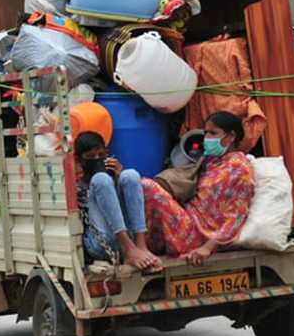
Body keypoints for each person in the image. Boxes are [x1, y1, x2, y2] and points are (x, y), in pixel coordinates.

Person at [143, 111, 255, 266]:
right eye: (206, 133)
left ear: (231, 136)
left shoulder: (239, 167)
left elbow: (236, 216)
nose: (207, 138)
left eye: (213, 133)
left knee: (146, 186)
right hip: (186, 223)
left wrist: (208, 248)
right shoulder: (211, 162)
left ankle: (140, 247)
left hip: (197, 237)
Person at [75, 131, 162, 272]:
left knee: (131, 175)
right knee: (100, 179)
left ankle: (141, 246)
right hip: (102, 244)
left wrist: (118, 175)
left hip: (130, 237)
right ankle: (129, 249)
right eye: (91, 157)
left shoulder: (115, 176)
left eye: (101, 156)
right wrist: (99, 182)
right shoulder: (78, 186)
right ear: (80, 161)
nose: (97, 159)